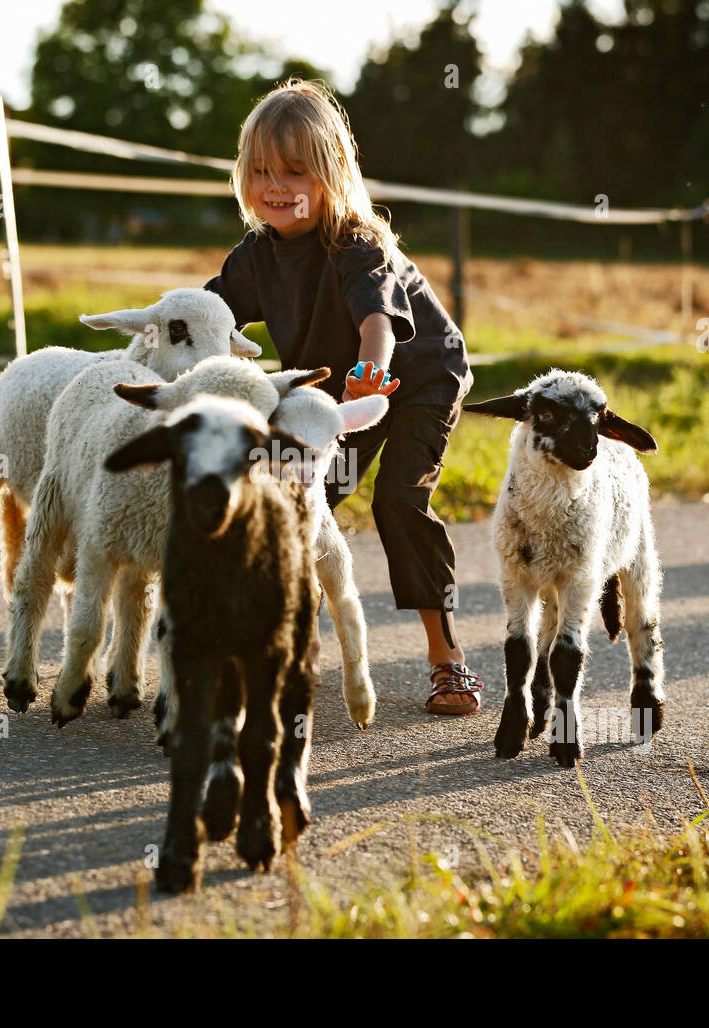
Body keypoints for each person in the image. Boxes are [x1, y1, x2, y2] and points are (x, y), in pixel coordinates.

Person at [204, 79, 484, 715]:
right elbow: (206, 318)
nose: (276, 186)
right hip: (334, 392)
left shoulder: (357, 243)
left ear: (331, 173)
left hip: (413, 380)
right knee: (299, 499)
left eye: (296, 171)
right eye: (262, 170)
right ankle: (287, 647)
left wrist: (370, 373)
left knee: (398, 498)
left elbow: (378, 322)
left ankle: (447, 658)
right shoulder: (254, 256)